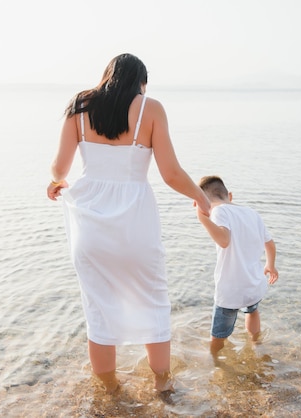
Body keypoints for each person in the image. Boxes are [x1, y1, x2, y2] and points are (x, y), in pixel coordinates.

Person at [47, 53, 211, 394]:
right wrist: (201, 196)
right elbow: (171, 174)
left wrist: (57, 182)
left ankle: (108, 393)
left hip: (90, 226)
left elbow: (59, 169)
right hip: (135, 223)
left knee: (99, 309)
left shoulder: (78, 106)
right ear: (141, 82)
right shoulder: (151, 109)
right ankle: (162, 387)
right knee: (152, 302)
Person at [195, 175, 278, 356]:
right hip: (254, 283)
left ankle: (215, 360)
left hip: (231, 288)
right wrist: (270, 265)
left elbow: (224, 240)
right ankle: (256, 344)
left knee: (218, 334)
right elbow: (270, 244)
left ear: (202, 202)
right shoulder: (252, 213)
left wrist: (203, 219)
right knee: (253, 312)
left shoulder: (218, 212)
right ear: (229, 195)